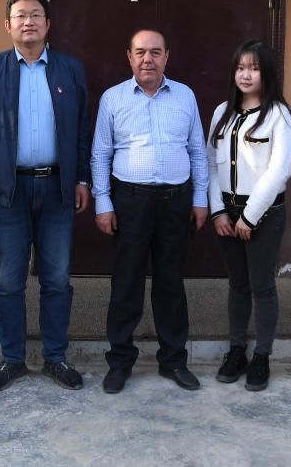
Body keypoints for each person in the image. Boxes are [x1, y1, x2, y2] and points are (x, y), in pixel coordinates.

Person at [0, 0, 92, 392]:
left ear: (48, 24)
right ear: (8, 25)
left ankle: (56, 357)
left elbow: (82, 130)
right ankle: (12, 358)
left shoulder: (70, 69)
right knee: (8, 281)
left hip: (57, 188)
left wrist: (82, 179)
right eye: (20, 16)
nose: (28, 22)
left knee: (56, 278)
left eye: (36, 15)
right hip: (9, 190)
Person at [91, 29, 209, 394]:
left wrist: (200, 198)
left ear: (166, 56)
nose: (148, 59)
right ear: (129, 56)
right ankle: (120, 362)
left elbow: (197, 151)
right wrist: (103, 202)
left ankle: (173, 360)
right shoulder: (113, 98)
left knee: (171, 284)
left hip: (176, 202)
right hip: (130, 202)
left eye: (155, 52)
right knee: (126, 285)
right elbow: (101, 153)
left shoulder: (185, 96)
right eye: (140, 52)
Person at [206, 40, 291, 392]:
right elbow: (211, 165)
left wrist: (249, 216)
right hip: (227, 214)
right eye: (241, 67)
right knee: (238, 285)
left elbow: (278, 172)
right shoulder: (222, 112)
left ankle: (262, 355)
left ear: (267, 73)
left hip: (263, 214)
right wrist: (218, 211)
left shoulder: (280, 115)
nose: (246, 75)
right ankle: (236, 350)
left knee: (262, 286)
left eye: (254, 68)